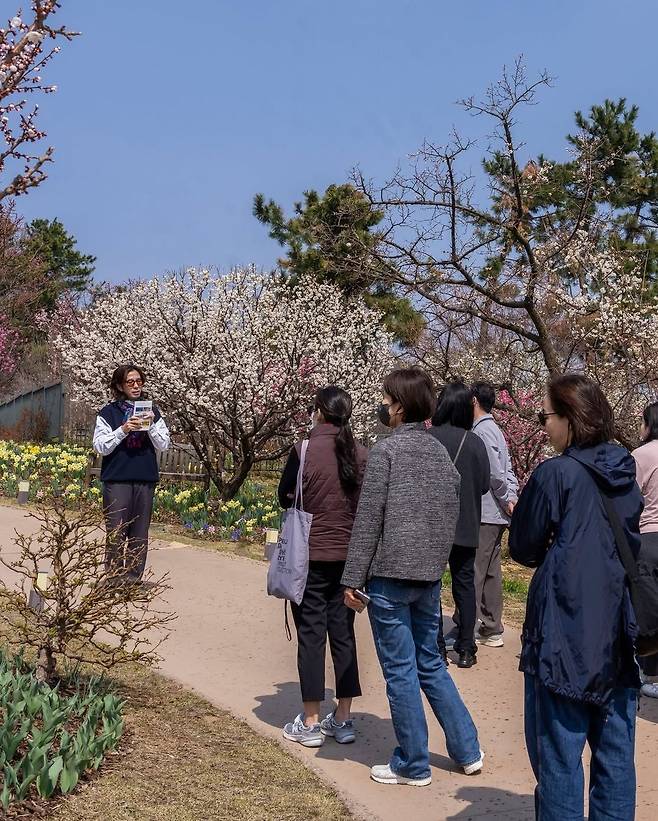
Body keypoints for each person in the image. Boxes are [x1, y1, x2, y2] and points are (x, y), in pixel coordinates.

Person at [509, 374, 642, 821]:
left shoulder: (555, 474)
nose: (544, 426)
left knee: (560, 758)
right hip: (619, 631)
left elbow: (523, 545)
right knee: (616, 755)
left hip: (564, 633)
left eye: (546, 416)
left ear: (569, 419)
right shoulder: (626, 471)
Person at [342, 367, 482, 786]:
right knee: (431, 665)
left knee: (401, 671)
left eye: (387, 399)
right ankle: (468, 749)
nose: (383, 406)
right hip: (427, 577)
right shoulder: (441, 455)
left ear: (400, 406)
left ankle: (413, 763)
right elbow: (449, 515)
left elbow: (368, 520)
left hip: (390, 577)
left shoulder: (387, 451)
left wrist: (352, 577)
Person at [278, 386, 368, 748]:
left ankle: (311, 720)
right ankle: (343, 719)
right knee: (343, 634)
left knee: (311, 636)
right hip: (348, 558)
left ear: (319, 411)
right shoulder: (361, 453)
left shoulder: (303, 450)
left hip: (309, 557)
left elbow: (284, 494)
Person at [430, 381, 490, 668]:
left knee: (431, 586)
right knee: (464, 587)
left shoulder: (429, 438)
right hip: (465, 525)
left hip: (432, 526)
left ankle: (437, 647)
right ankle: (466, 648)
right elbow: (484, 486)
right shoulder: (475, 442)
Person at [93, 364, 170, 583]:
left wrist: (151, 424)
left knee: (139, 534)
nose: (136, 386)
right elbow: (100, 446)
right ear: (120, 385)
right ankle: (115, 579)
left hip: (145, 479)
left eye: (139, 381)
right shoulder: (108, 413)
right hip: (117, 479)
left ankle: (134, 579)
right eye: (130, 382)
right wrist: (123, 429)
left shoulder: (153, 410)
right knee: (116, 532)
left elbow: (164, 444)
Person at [471, 382, 518, 648]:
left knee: (477, 570)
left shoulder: (483, 432)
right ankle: (491, 627)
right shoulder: (495, 430)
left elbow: (494, 474)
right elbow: (508, 468)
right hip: (497, 511)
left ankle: (469, 626)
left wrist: (506, 497)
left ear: (474, 401)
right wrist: (511, 496)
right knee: (490, 571)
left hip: (488, 509)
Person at [632, 400, 658, 698]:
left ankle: (648, 672)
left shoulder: (641, 455)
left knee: (646, 609)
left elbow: (630, 498)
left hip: (648, 538)